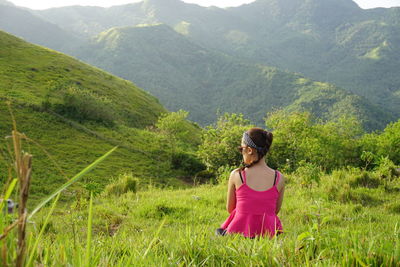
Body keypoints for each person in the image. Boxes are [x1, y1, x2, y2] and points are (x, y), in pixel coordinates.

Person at [216, 128, 285, 238]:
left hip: (239, 231)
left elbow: (230, 208)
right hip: (268, 234)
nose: (241, 153)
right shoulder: (279, 178)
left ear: (249, 150)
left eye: (241, 149)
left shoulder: (237, 175)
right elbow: (274, 211)